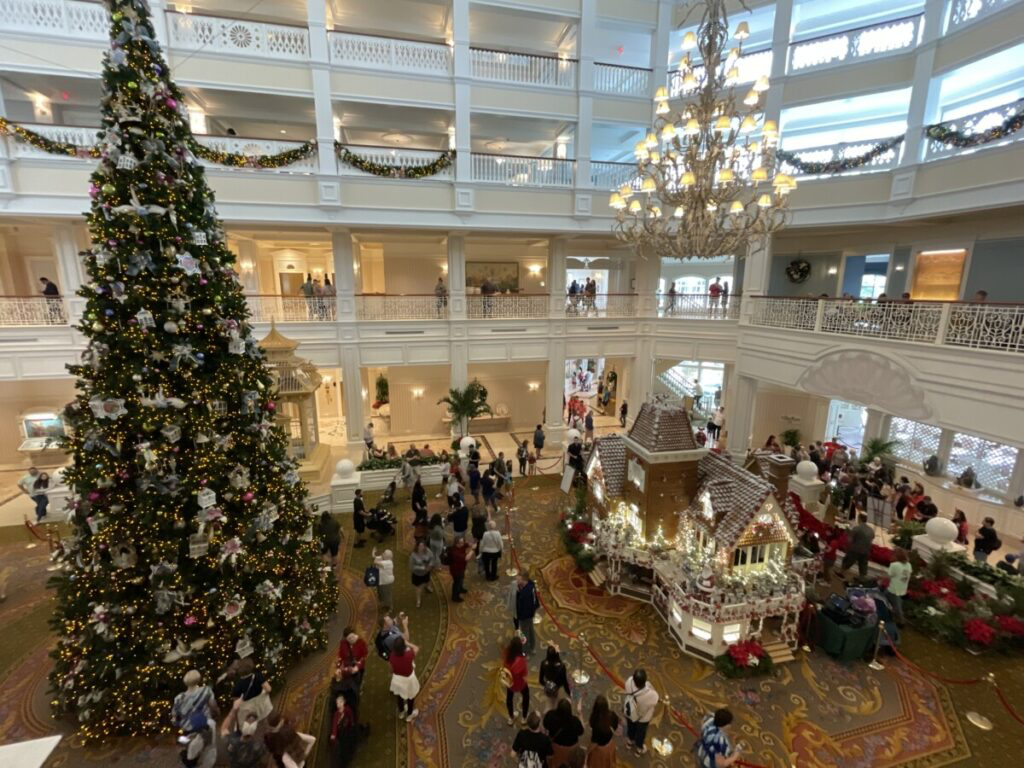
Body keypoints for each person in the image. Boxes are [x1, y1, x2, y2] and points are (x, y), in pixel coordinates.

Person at [388, 614, 420, 722]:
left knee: (399, 696)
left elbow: (390, 668)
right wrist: (408, 643)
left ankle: (401, 712)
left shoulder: (392, 656)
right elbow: (416, 648)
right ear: (403, 646)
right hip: (408, 679)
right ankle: (410, 714)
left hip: (397, 679)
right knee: (411, 697)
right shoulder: (408, 655)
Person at [623, 668, 659, 755]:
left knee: (630, 726)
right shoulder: (650, 694)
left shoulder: (629, 682)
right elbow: (656, 698)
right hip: (643, 718)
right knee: (640, 733)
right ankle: (639, 749)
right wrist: (649, 685)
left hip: (630, 711)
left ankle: (630, 741)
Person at [228, 658, 273, 724]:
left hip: (249, 708)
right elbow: (269, 689)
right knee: (264, 716)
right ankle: (266, 723)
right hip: (262, 704)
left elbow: (236, 701)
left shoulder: (238, 684)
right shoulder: (258, 676)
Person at [543, 698, 585, 767]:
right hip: (571, 750)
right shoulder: (575, 721)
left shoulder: (551, 716)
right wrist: (580, 713)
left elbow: (545, 724)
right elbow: (581, 731)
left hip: (556, 747)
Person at [503, 634, 530, 726]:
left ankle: (511, 717)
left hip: (510, 683)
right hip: (521, 684)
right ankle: (524, 718)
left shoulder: (507, 655)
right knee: (526, 697)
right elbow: (525, 673)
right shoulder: (521, 661)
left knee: (509, 699)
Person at [336, 628, 369, 703]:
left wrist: (357, 667)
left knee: (358, 679)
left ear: (355, 634)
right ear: (346, 639)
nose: (352, 639)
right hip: (347, 667)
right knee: (348, 680)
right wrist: (338, 667)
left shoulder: (361, 642)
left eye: (353, 636)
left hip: (359, 667)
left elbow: (364, 656)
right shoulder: (343, 643)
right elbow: (340, 656)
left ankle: (359, 687)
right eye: (349, 638)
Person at [586, 694, 619, 768]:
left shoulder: (596, 724)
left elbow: (594, 743)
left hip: (600, 751)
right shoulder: (612, 715)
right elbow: (616, 727)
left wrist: (587, 752)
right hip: (610, 745)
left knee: (599, 764)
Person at [328, 691, 358, 768]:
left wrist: (352, 724)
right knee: (341, 746)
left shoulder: (347, 709)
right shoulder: (336, 714)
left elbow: (351, 717)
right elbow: (334, 725)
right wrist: (333, 734)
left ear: (344, 702)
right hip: (341, 733)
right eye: (337, 703)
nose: (338, 705)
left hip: (348, 730)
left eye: (340, 702)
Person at [842, 513, 875, 582]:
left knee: (848, 561)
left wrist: (848, 533)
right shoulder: (871, 530)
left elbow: (850, 539)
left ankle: (841, 573)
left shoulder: (857, 528)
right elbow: (871, 540)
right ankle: (861, 579)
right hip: (866, 551)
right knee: (863, 565)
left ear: (859, 519)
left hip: (856, 549)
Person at [538, 644, 570, 712]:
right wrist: (568, 693)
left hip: (548, 687)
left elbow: (540, 680)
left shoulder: (543, 663)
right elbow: (564, 682)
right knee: (557, 702)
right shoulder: (561, 666)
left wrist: (547, 684)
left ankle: (548, 714)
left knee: (549, 703)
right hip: (557, 686)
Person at [516, 569, 540, 655]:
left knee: (524, 633)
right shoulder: (530, 584)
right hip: (531, 613)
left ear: (523, 580)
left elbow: (523, 607)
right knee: (530, 629)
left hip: (525, 616)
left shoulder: (525, 594)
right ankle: (532, 646)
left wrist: (519, 617)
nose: (516, 581)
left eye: (518, 579)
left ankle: (525, 651)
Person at [885, 548, 911, 625]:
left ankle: (901, 621)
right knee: (897, 604)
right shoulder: (908, 565)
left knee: (897, 607)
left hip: (893, 589)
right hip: (902, 589)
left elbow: (888, 576)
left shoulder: (895, 565)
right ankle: (895, 617)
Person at [409, 540, 435, 609]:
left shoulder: (428, 551)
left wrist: (430, 565)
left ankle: (428, 587)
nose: (422, 547)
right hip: (417, 574)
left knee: (428, 580)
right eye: (420, 546)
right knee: (418, 588)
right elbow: (411, 566)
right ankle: (418, 600)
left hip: (426, 572)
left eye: (423, 546)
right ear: (417, 546)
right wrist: (422, 568)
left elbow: (432, 558)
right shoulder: (413, 555)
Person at [449, 536, 472, 602]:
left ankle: (460, 588)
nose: (463, 543)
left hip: (461, 568)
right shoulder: (455, 552)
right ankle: (455, 597)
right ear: (457, 543)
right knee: (457, 583)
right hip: (456, 570)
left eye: (463, 541)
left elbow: (466, 545)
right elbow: (467, 558)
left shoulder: (461, 546)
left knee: (461, 579)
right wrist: (472, 550)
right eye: (461, 542)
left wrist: (469, 544)